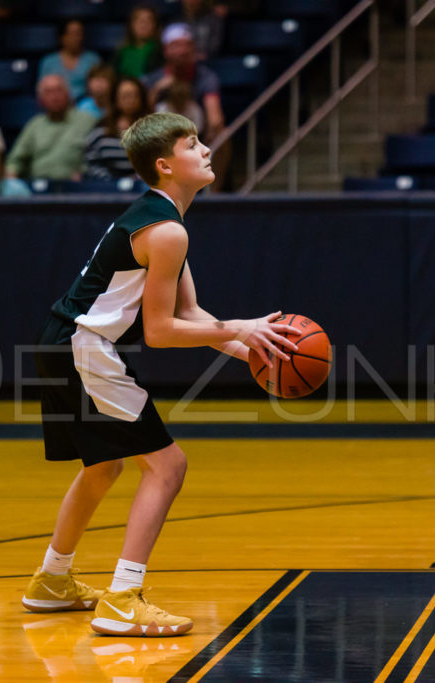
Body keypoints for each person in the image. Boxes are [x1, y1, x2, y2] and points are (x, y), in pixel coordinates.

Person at [21, 111, 300, 638]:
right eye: (193, 144)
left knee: (104, 467)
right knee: (168, 466)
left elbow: (190, 313)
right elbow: (161, 331)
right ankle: (123, 597)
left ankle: (52, 581)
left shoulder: (163, 220)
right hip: (83, 347)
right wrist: (243, 325)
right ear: (166, 164)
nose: (207, 150)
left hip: (61, 341)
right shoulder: (166, 230)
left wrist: (251, 352)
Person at [142, 23, 224, 144]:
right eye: (176, 45)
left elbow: (215, 119)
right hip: (160, 141)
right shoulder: (152, 80)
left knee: (222, 134)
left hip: (198, 138)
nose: (183, 50)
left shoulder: (206, 77)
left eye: (188, 45)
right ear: (165, 50)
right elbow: (140, 120)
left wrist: (209, 137)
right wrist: (156, 90)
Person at [5, 74, 94, 181]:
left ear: (68, 94)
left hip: (76, 188)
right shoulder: (34, 125)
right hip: (39, 188)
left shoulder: (87, 122)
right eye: (48, 92)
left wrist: (84, 173)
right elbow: (15, 160)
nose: (54, 96)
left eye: (59, 90)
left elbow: (99, 158)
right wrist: (11, 176)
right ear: (40, 99)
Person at [84, 76, 151, 181]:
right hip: (106, 188)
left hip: (144, 187)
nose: (131, 100)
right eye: (126, 96)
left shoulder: (154, 131)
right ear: (115, 98)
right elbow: (91, 162)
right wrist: (109, 182)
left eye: (135, 95)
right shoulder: (102, 130)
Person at [38, 19, 101, 102]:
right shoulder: (48, 62)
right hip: (56, 106)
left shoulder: (93, 59)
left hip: (86, 107)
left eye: (78, 33)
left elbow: (99, 89)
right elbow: (42, 92)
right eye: (71, 34)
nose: (76, 38)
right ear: (62, 37)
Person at [112, 3, 162, 79]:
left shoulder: (161, 50)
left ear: (155, 25)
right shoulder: (121, 51)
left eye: (148, 21)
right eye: (139, 20)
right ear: (131, 24)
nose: (143, 25)